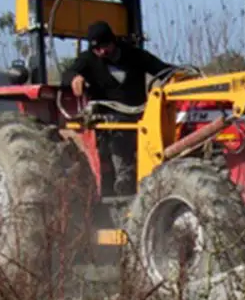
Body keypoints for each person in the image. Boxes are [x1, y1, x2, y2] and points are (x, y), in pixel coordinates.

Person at [63, 20, 176, 196]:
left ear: (113, 41)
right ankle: (124, 179)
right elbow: (68, 74)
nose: (101, 52)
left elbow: (163, 70)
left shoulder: (134, 55)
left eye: (104, 46)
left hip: (139, 114)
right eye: (96, 49)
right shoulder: (88, 60)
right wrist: (74, 78)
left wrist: (181, 77)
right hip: (107, 120)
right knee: (118, 132)